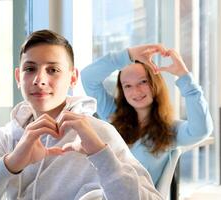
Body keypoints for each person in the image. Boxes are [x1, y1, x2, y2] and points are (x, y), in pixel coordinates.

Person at [0, 30, 163, 200]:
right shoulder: (9, 135)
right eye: (30, 69)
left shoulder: (97, 133)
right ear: (18, 77)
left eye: (53, 70)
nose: (39, 79)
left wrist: (100, 154)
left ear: (73, 77)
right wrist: (10, 163)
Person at [81, 45, 213, 186]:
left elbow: (201, 130)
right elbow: (88, 78)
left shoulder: (170, 130)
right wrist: (128, 55)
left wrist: (184, 77)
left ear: (155, 84)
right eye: (127, 86)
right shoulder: (112, 113)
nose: (136, 91)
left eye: (143, 82)